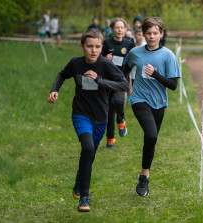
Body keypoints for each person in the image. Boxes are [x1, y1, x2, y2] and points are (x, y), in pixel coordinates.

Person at [47, 29, 129, 212]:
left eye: (97, 47)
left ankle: (79, 181)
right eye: (89, 46)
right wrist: (55, 89)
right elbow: (62, 74)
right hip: (81, 113)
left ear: (102, 47)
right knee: (88, 148)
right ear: (82, 46)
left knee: (89, 156)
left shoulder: (106, 65)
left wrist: (100, 80)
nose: (93, 50)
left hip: (100, 117)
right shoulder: (75, 63)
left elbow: (124, 85)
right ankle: (84, 197)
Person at [123, 17, 181, 197]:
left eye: (155, 33)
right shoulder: (135, 52)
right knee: (151, 134)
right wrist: (123, 85)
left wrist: (155, 74)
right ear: (143, 34)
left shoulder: (168, 55)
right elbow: (125, 69)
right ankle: (144, 176)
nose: (151, 36)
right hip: (139, 99)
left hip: (159, 103)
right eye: (148, 33)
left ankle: (144, 174)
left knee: (152, 139)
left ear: (161, 34)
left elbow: (172, 85)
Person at [102, 18, 134, 148]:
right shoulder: (106, 43)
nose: (119, 30)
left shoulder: (129, 44)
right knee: (109, 111)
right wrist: (105, 58)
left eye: (122, 27)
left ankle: (121, 120)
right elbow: (98, 60)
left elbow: (132, 61)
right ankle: (110, 138)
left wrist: (125, 76)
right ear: (112, 29)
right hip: (108, 79)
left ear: (125, 29)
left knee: (119, 101)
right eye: (117, 27)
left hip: (122, 78)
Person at [128, 26, 146, 104]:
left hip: (145, 72)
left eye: (142, 35)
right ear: (134, 36)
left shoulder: (146, 46)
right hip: (134, 73)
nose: (140, 37)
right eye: (139, 35)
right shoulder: (132, 47)